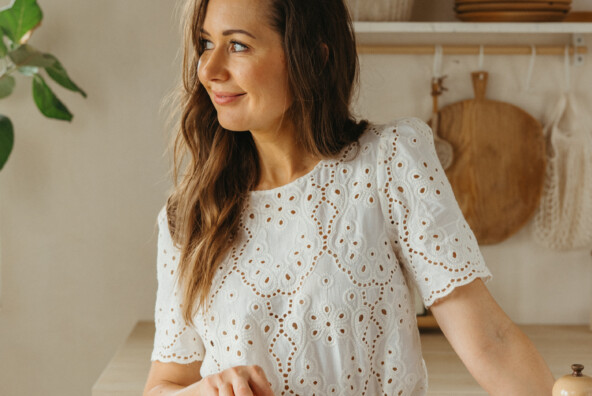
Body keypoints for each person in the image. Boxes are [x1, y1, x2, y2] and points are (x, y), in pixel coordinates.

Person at [143, 0, 555, 394]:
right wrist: (203, 391)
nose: (209, 69)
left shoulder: (389, 161)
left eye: (238, 45)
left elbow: (492, 341)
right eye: (205, 43)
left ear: (314, 57)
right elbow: (166, 384)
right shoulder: (190, 215)